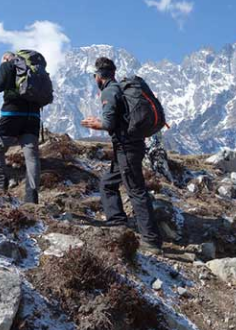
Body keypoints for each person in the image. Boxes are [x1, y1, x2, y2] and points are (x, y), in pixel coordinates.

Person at [81, 57, 163, 254]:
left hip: (127, 147)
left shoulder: (109, 91)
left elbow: (108, 124)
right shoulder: (120, 88)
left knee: (136, 190)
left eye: (94, 76)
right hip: (130, 146)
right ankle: (117, 223)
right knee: (108, 183)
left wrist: (95, 124)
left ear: (98, 76)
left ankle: (151, 241)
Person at [0, 52, 42, 204]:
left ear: (6, 58)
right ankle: (31, 198)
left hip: (12, 113)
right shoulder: (35, 70)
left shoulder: (8, 65)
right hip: (33, 116)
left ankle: (0, 189)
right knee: (32, 156)